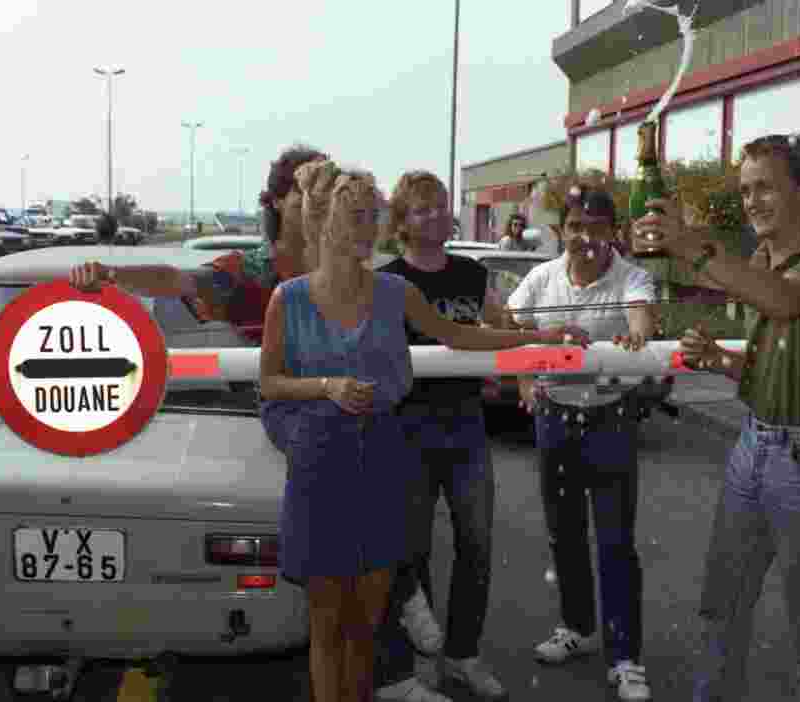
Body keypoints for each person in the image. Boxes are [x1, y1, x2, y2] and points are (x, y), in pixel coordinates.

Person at [259, 159, 590, 702]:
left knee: (364, 628)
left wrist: (543, 337)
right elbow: (270, 384)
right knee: (325, 629)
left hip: (383, 467)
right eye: (355, 216)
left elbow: (461, 336)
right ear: (327, 224)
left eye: (372, 216)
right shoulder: (288, 298)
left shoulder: (393, 291)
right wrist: (326, 386)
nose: (367, 228)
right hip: (319, 471)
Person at [632, 133, 800, 702]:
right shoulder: (761, 258)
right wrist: (723, 361)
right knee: (720, 604)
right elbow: (780, 360)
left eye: (765, 188)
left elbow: (783, 300)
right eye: (745, 190)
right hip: (751, 446)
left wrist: (693, 247)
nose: (752, 201)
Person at [508, 183, 660, 702]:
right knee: (564, 533)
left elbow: (642, 316)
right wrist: (525, 378)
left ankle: (626, 657)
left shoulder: (631, 276)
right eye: (575, 227)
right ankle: (575, 627)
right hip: (553, 418)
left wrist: (637, 336)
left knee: (616, 541)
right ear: (561, 231)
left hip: (610, 420)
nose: (586, 237)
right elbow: (510, 329)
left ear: (613, 232)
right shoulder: (541, 278)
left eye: (597, 227)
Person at [376, 170, 508, 701]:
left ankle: (462, 656)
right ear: (402, 222)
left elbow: (503, 325)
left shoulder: (474, 274)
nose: (435, 215)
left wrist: (530, 350)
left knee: (477, 545)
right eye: (422, 208)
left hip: (467, 425)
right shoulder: (385, 281)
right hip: (407, 430)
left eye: (441, 205)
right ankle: (419, 669)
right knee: (413, 552)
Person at [68, 144, 328, 340]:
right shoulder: (248, 272)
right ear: (277, 201)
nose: (319, 198)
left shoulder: (352, 270)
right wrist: (109, 274)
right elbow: (176, 280)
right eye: (306, 189)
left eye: (327, 189)